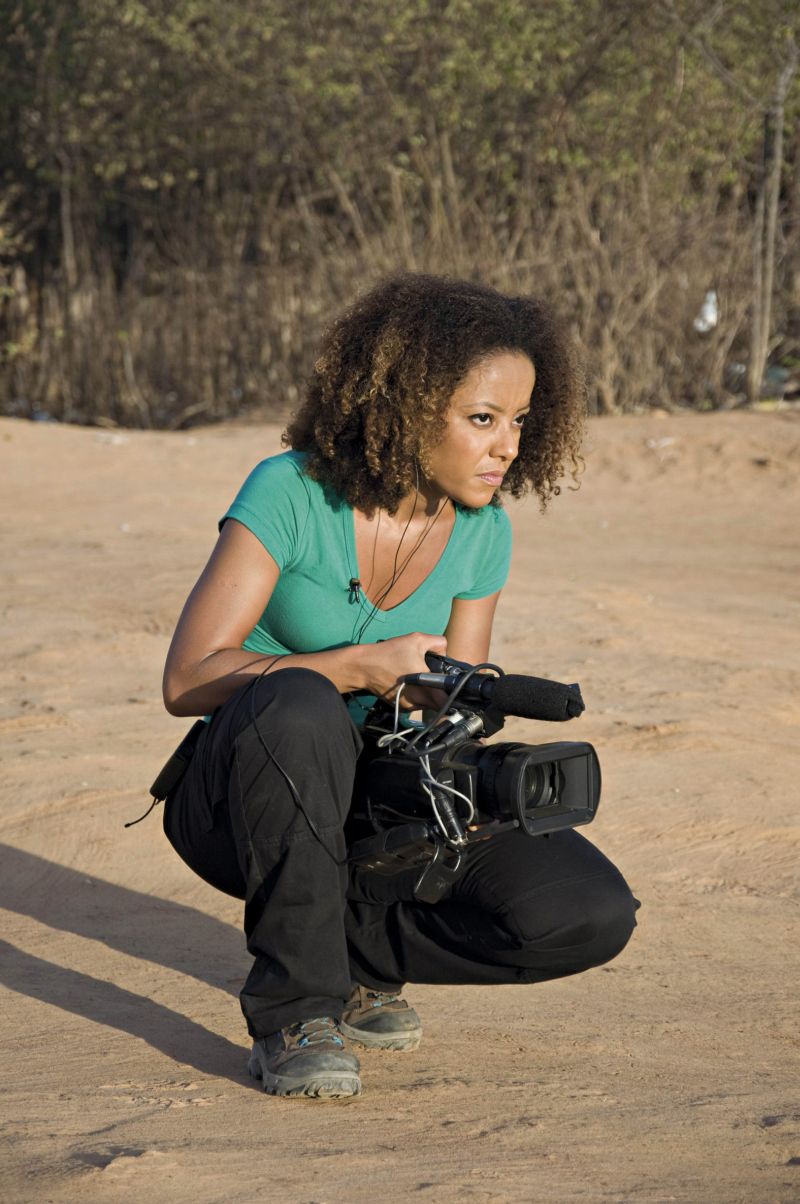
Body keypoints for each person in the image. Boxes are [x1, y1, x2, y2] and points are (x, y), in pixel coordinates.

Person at [160, 273, 638, 1100]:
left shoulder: (485, 533)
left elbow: (451, 702)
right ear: (406, 407)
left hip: (367, 799)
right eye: (482, 419)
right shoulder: (291, 490)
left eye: (521, 421)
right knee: (301, 703)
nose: (508, 446)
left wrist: (446, 707)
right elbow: (189, 677)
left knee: (585, 911)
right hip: (243, 791)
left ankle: (357, 956)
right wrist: (351, 667)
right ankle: (294, 1014)